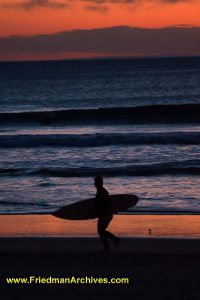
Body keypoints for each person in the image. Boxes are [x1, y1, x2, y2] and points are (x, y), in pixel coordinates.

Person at [94, 176, 120, 252]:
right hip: (105, 214)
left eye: (95, 182)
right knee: (100, 231)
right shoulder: (100, 191)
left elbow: (105, 204)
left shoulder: (101, 191)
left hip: (106, 214)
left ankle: (112, 243)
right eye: (95, 182)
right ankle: (112, 243)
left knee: (100, 231)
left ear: (99, 183)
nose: (94, 183)